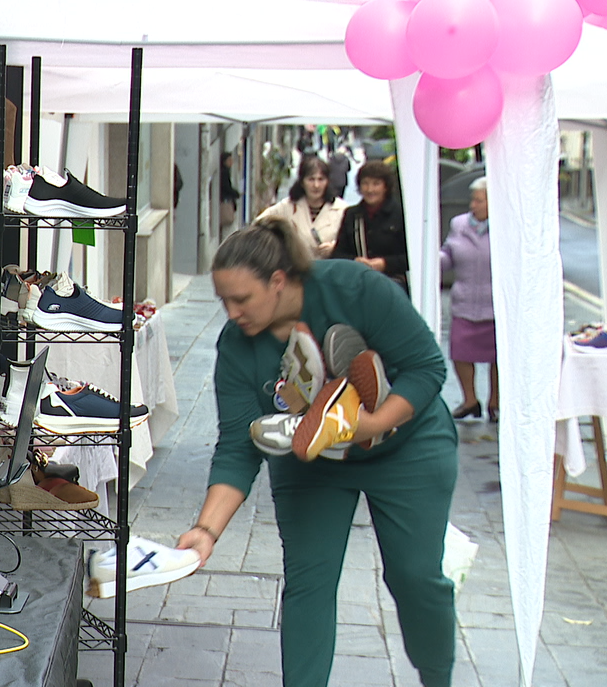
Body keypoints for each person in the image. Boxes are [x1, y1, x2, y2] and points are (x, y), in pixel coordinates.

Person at [177, 218, 458, 687]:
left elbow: (427, 368)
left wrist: (368, 424)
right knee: (309, 583)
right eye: (223, 300)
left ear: (279, 281)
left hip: (407, 445)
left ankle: (437, 677)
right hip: (310, 457)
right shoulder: (237, 346)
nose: (231, 312)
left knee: (415, 577)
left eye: (241, 299)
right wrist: (206, 530)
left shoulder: (355, 287)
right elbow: (238, 444)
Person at [440, 176, 498, 422]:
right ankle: (470, 400)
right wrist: (435, 261)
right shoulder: (458, 224)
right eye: (472, 200)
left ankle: (495, 402)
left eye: (478, 200)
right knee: (461, 353)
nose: (473, 205)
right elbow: (448, 254)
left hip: (494, 305)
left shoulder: (505, 227)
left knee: (497, 357)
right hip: (464, 302)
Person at [331, 160, 409, 290]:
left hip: (391, 284)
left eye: (376, 184)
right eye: (365, 184)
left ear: (385, 187)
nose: (370, 189)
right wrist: (355, 261)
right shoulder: (352, 215)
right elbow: (338, 253)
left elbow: (410, 257)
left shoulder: (400, 214)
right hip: (358, 282)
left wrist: (385, 264)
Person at [255, 156, 349, 258]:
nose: (316, 185)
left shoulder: (342, 209)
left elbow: (351, 245)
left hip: (328, 270)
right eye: (311, 179)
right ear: (302, 182)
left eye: (321, 179)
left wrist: (335, 247)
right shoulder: (287, 207)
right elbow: (259, 223)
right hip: (296, 270)